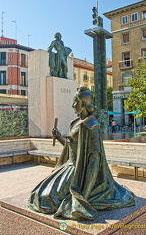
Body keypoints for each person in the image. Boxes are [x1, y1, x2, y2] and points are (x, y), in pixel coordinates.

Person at [28, 87, 135, 220]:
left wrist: (83, 195)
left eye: (75, 102)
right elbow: (70, 146)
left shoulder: (92, 126)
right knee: (39, 194)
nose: (73, 105)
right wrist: (60, 137)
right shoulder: (75, 122)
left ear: (83, 104)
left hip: (79, 172)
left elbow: (94, 162)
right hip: (68, 167)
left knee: (47, 198)